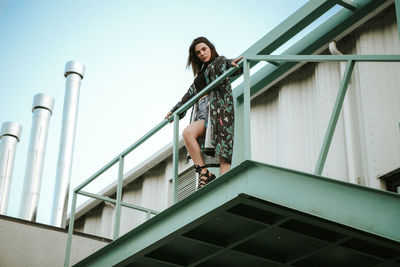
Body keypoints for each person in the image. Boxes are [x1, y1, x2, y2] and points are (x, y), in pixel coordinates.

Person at [165, 37, 242, 189]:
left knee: (223, 153)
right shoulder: (199, 77)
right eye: (198, 52)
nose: (202, 54)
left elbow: (225, 64)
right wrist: (174, 111)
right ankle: (204, 172)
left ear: (210, 48)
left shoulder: (218, 62)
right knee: (188, 133)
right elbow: (188, 95)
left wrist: (232, 64)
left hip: (218, 113)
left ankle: (223, 189)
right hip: (201, 115)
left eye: (204, 49)